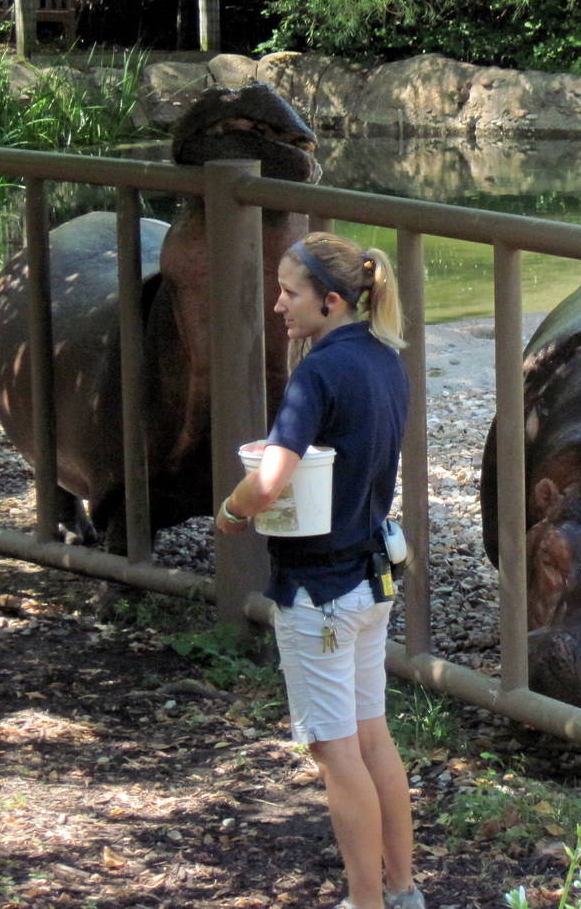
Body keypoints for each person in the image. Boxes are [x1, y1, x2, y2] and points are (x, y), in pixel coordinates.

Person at [215, 232, 422, 909]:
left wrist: (232, 510)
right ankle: (402, 890)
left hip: (319, 592)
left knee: (336, 753)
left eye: (289, 292)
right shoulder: (386, 356)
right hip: (371, 579)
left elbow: (272, 482)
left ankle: (365, 903)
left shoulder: (318, 373)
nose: (278, 304)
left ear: (331, 302)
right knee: (372, 736)